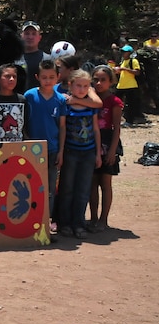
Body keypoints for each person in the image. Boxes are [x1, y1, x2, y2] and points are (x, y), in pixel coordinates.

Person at [57, 69, 101, 239]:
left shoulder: (91, 106)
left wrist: (98, 153)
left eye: (85, 86)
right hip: (70, 152)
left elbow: (96, 129)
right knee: (67, 188)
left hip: (88, 153)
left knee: (83, 190)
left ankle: (79, 224)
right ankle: (65, 224)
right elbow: (62, 129)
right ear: (70, 85)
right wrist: (61, 152)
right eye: (78, 86)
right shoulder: (65, 104)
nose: (82, 89)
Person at [24, 59, 67, 221]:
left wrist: (61, 151)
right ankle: (32, 220)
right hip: (31, 149)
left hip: (53, 150)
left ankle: (48, 221)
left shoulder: (60, 100)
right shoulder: (29, 96)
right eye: (44, 77)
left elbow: (62, 127)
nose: (47, 81)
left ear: (58, 77)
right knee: (31, 185)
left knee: (50, 187)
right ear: (37, 77)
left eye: (51, 77)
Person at [89, 65, 123, 233]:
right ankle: (93, 218)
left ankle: (104, 219)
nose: (99, 83)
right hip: (91, 143)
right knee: (92, 183)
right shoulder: (89, 98)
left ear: (110, 82)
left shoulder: (114, 101)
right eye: (96, 79)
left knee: (105, 183)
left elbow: (116, 128)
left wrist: (112, 151)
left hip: (108, 142)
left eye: (103, 80)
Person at [0, 64, 27, 142]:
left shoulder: (22, 100)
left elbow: (25, 127)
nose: (11, 79)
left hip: (19, 149)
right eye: (7, 76)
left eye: (14, 76)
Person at [115, 45, 143, 127]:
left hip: (131, 85)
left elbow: (137, 72)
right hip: (121, 85)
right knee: (115, 102)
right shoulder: (123, 61)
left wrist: (125, 69)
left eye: (125, 52)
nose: (123, 53)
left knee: (130, 104)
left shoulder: (133, 61)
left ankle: (130, 121)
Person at [19, 21, 50, 91]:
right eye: (27, 34)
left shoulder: (47, 59)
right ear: (21, 36)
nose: (30, 37)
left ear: (39, 37)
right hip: (19, 100)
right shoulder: (14, 58)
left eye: (34, 34)